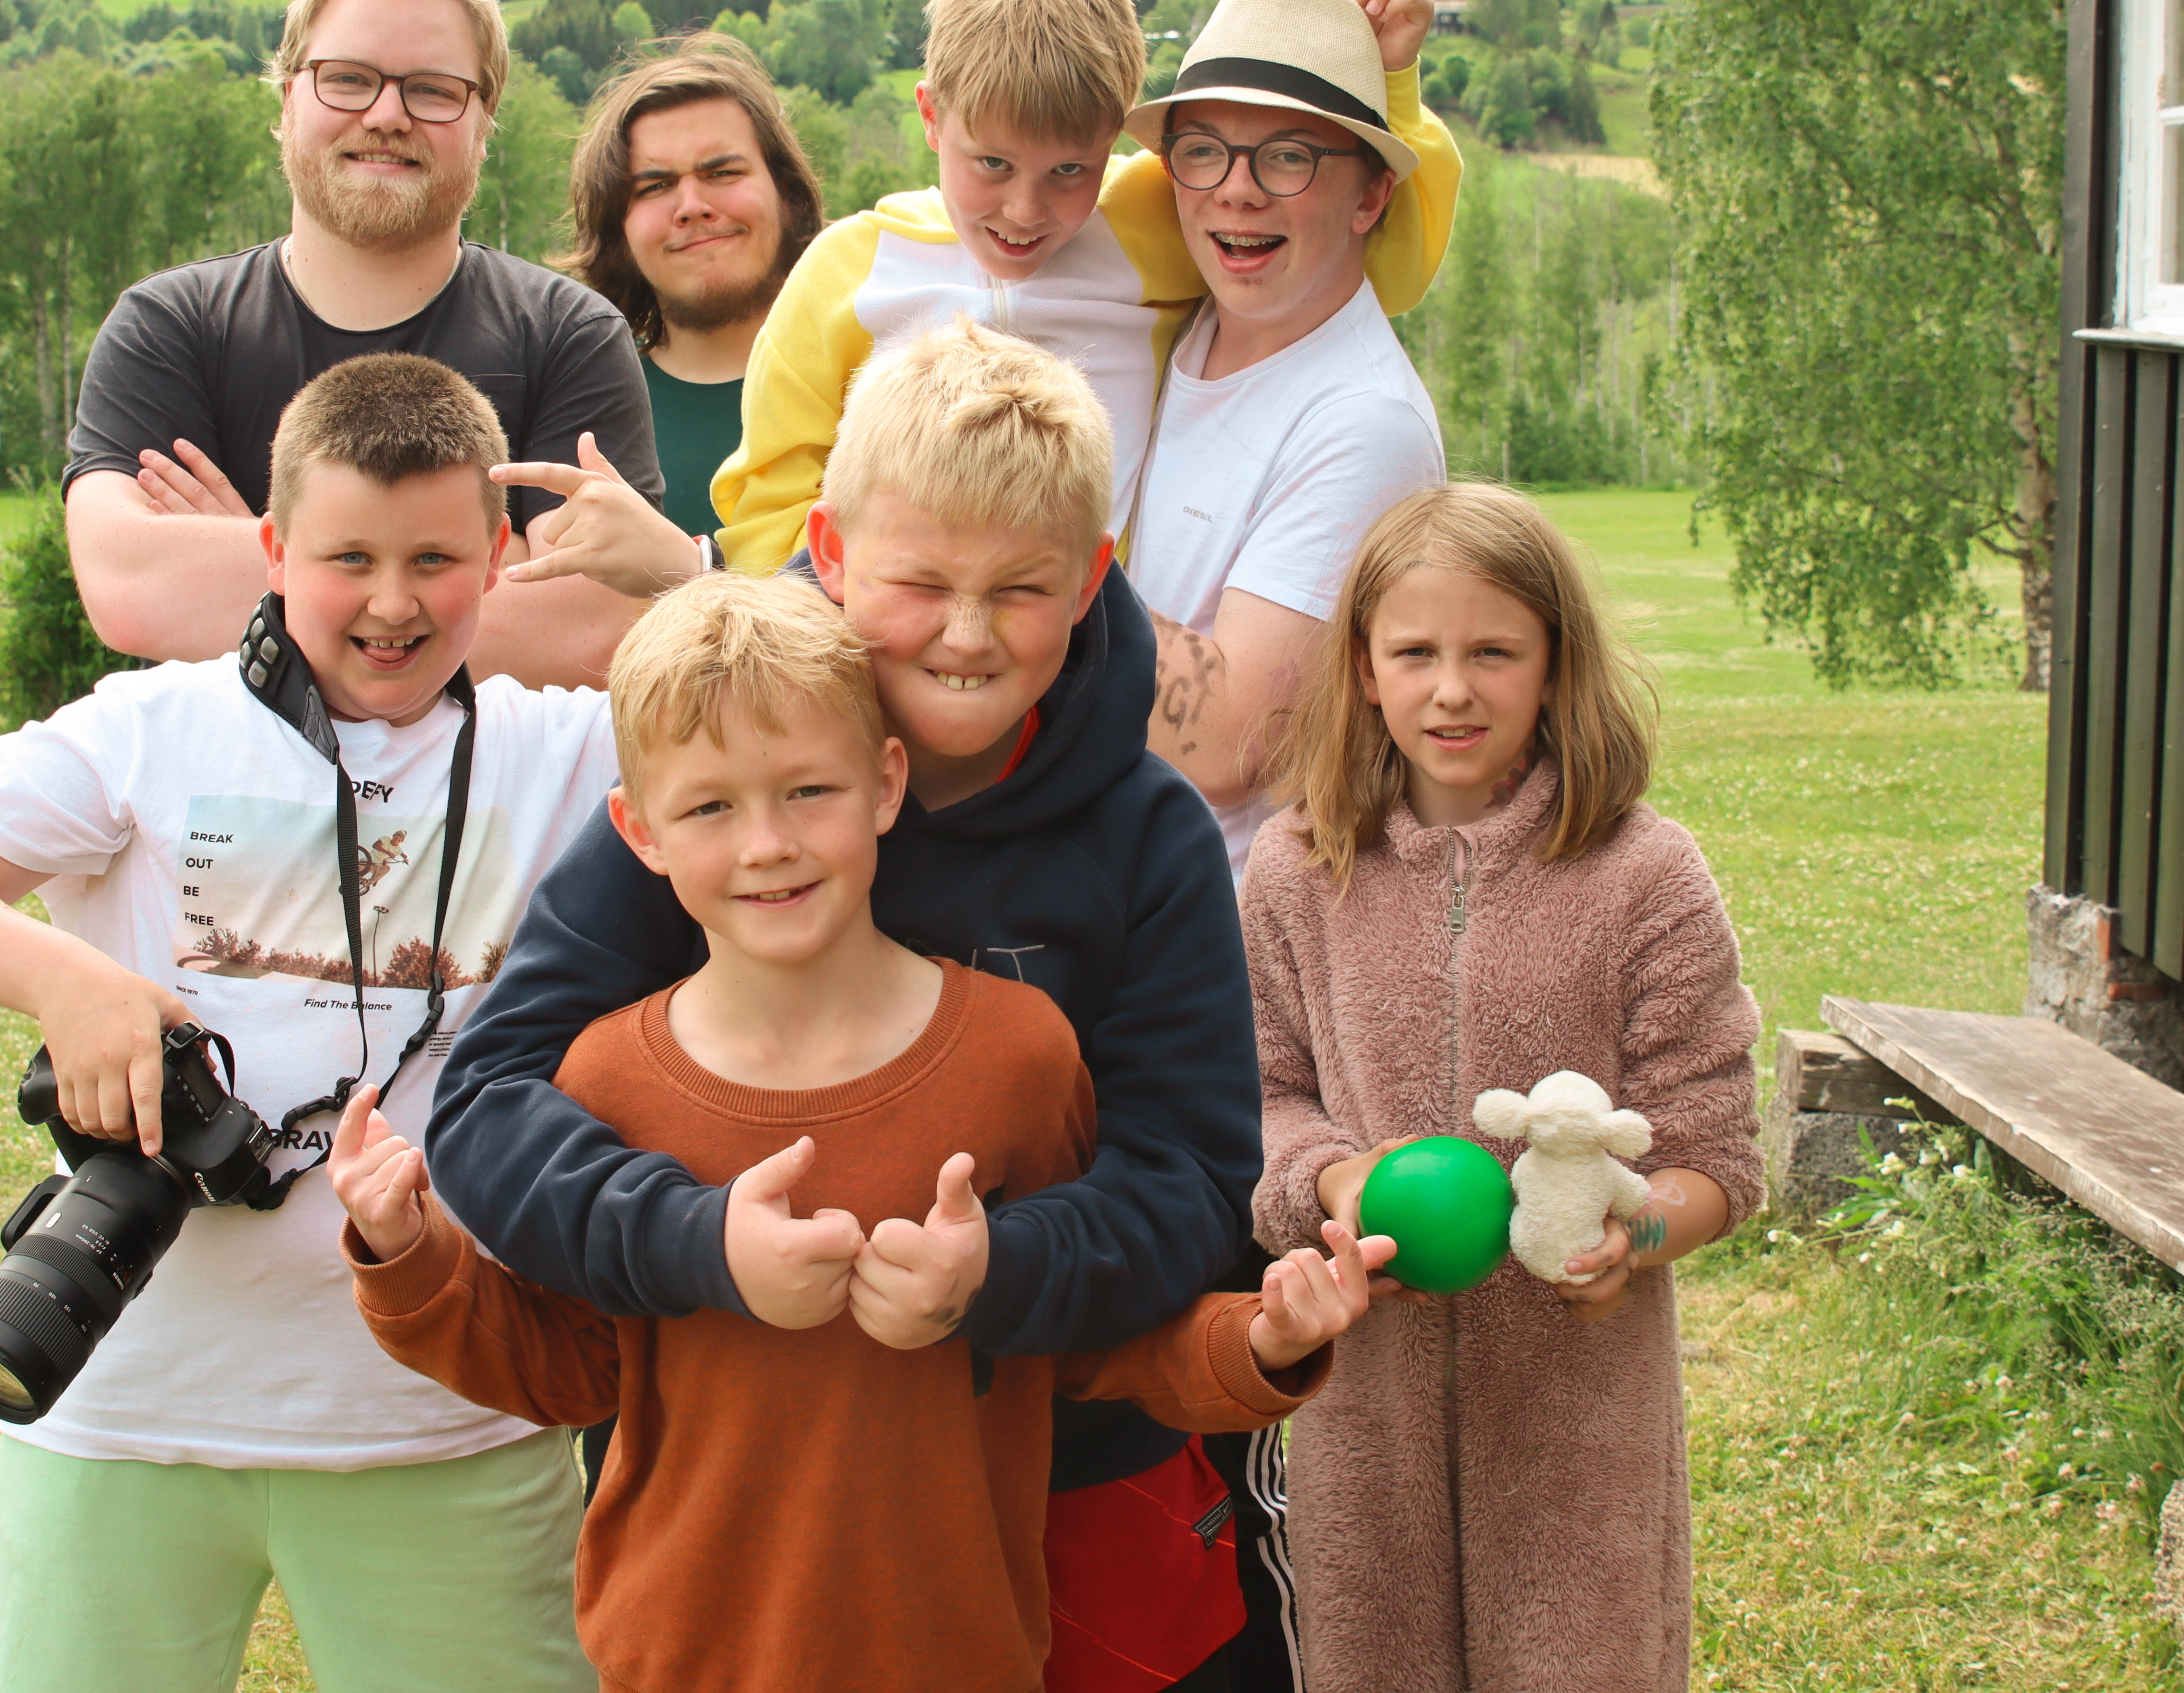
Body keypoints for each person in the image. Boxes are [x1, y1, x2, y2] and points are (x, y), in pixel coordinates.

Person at [328, 571, 1392, 1693]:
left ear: (886, 784)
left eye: (806, 790)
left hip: (959, 1652)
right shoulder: (607, 1076)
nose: (767, 844)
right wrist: (412, 1260)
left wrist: (1260, 1340)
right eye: (709, 807)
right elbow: (575, 1366)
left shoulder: (1018, 1056)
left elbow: (1098, 1344)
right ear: (637, 829)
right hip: (679, 1658)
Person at [431, 320, 1273, 1692]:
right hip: (760, 1494)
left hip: (1080, 1475)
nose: (963, 630)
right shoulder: (732, 788)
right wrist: (696, 1242)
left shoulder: (1149, 838)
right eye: (919, 581)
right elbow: (488, 1105)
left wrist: (1000, 1270)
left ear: (1093, 580)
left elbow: (1191, 1184)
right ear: (828, 550)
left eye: (1020, 590)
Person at [0, 354, 626, 1693]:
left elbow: (813, 702)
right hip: (127, 1399)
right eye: (345, 557)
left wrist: (673, 572)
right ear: (269, 547)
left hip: (445, 1415)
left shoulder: (572, 748)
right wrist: (64, 982)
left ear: (501, 557)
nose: (390, 602)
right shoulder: (148, 730)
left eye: (436, 559)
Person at [1242, 482, 1763, 1693]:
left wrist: (1631, 1234)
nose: (1453, 687)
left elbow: (1717, 1157)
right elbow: (1259, 1096)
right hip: (1362, 1409)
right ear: (1363, 668)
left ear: (1553, 662)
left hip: (1581, 1416)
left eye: (1493, 650)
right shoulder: (1294, 868)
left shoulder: (1645, 873)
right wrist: (1337, 1171)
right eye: (1414, 651)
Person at [707, 0, 1459, 579]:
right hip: (897, 657)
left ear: (1115, 142)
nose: (1026, 211)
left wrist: (1380, 85)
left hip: (1097, 672)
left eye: (1071, 171)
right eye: (993, 163)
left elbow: (1367, 264)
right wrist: (836, 637)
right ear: (933, 117)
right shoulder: (849, 273)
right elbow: (769, 490)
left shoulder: (1150, 222)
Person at [63, 0, 659, 686]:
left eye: (433, 90)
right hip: (223, 808)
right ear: (287, 100)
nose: (387, 115)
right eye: (347, 80)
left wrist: (265, 559)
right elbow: (131, 589)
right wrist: (474, 568)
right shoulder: (169, 330)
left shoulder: (569, 338)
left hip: (487, 809)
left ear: (484, 122)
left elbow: (589, 628)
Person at [1120, 0, 1459, 878]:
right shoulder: (1180, 324)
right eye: (1205, 152)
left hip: (1218, 970)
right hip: (1112, 923)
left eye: (1288, 158)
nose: (1236, 192)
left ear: (1371, 199)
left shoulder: (1362, 422)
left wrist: (1023, 561)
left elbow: (1233, 744)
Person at [552, 32, 824, 540]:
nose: (692, 205)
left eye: (722, 171)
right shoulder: (581, 408)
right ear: (619, 230)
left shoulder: (877, 380)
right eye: (655, 186)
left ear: (787, 194)